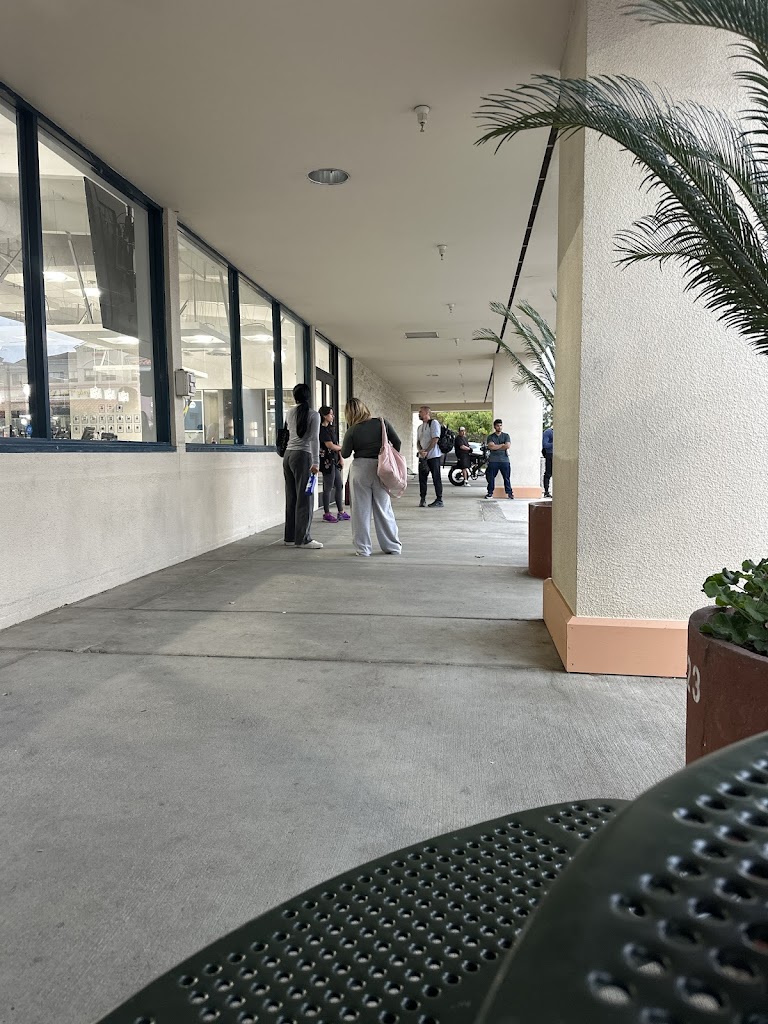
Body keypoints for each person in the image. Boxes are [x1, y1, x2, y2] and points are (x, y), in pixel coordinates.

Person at [340, 397, 402, 557]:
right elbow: (397, 442)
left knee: (360, 511)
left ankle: (363, 549)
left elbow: (345, 453)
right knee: (384, 508)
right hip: (381, 468)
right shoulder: (382, 423)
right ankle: (392, 546)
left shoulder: (352, 430)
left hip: (360, 469)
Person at [283, 383, 323, 549]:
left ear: (295, 397)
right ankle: (303, 539)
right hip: (303, 456)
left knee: (291, 497)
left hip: (288, 455)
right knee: (305, 497)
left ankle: (290, 537)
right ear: (309, 396)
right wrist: (316, 462)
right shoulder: (314, 415)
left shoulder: (289, 412)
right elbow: (314, 439)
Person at [319, 405, 350, 523]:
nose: (333, 416)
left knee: (339, 485)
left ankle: (341, 512)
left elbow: (335, 444)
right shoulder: (321, 430)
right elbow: (330, 446)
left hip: (334, 460)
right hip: (327, 461)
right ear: (324, 416)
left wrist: (341, 458)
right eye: (331, 414)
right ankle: (326, 513)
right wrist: (343, 448)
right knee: (328, 487)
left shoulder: (331, 429)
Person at [416, 405, 443, 508]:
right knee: (422, 479)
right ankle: (422, 499)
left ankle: (439, 499)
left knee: (436, 477)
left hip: (434, 456)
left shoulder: (434, 423)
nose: (419, 414)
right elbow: (418, 442)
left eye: (421, 412)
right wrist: (421, 451)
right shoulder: (419, 427)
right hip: (423, 457)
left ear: (427, 413)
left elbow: (435, 439)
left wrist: (427, 451)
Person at [485, 418, 514, 499]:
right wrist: (502, 445)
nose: (500, 427)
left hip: (505, 460)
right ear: (495, 427)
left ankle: (509, 493)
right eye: (498, 426)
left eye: (501, 425)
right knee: (491, 478)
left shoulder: (506, 436)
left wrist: (496, 446)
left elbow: (507, 446)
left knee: (506, 478)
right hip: (493, 460)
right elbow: (491, 446)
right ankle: (490, 493)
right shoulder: (490, 437)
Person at [542, 425, 554, 498]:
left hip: (556, 454)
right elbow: (545, 444)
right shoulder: (548, 432)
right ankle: (546, 491)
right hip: (550, 454)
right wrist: (555, 443)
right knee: (548, 473)